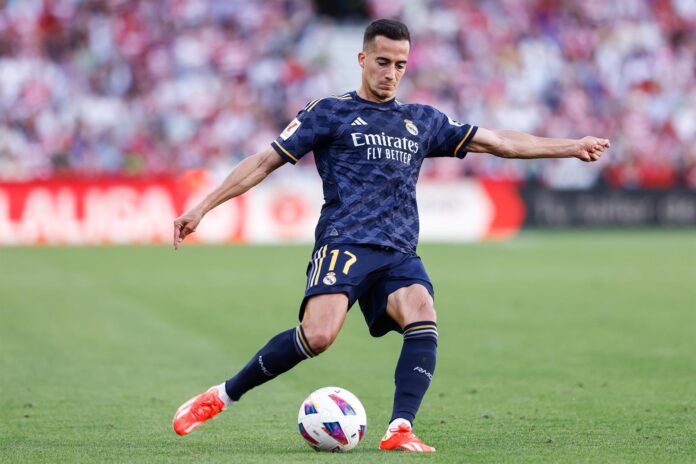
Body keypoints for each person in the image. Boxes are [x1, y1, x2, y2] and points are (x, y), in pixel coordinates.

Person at [171, 19, 610, 452]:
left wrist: (570, 146)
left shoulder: (421, 120)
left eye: (400, 64)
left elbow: (499, 142)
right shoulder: (330, 112)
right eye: (382, 62)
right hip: (345, 242)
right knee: (318, 336)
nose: (391, 73)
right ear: (362, 59)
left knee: (422, 311)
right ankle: (222, 396)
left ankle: (400, 427)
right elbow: (263, 161)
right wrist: (203, 206)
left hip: (399, 250)